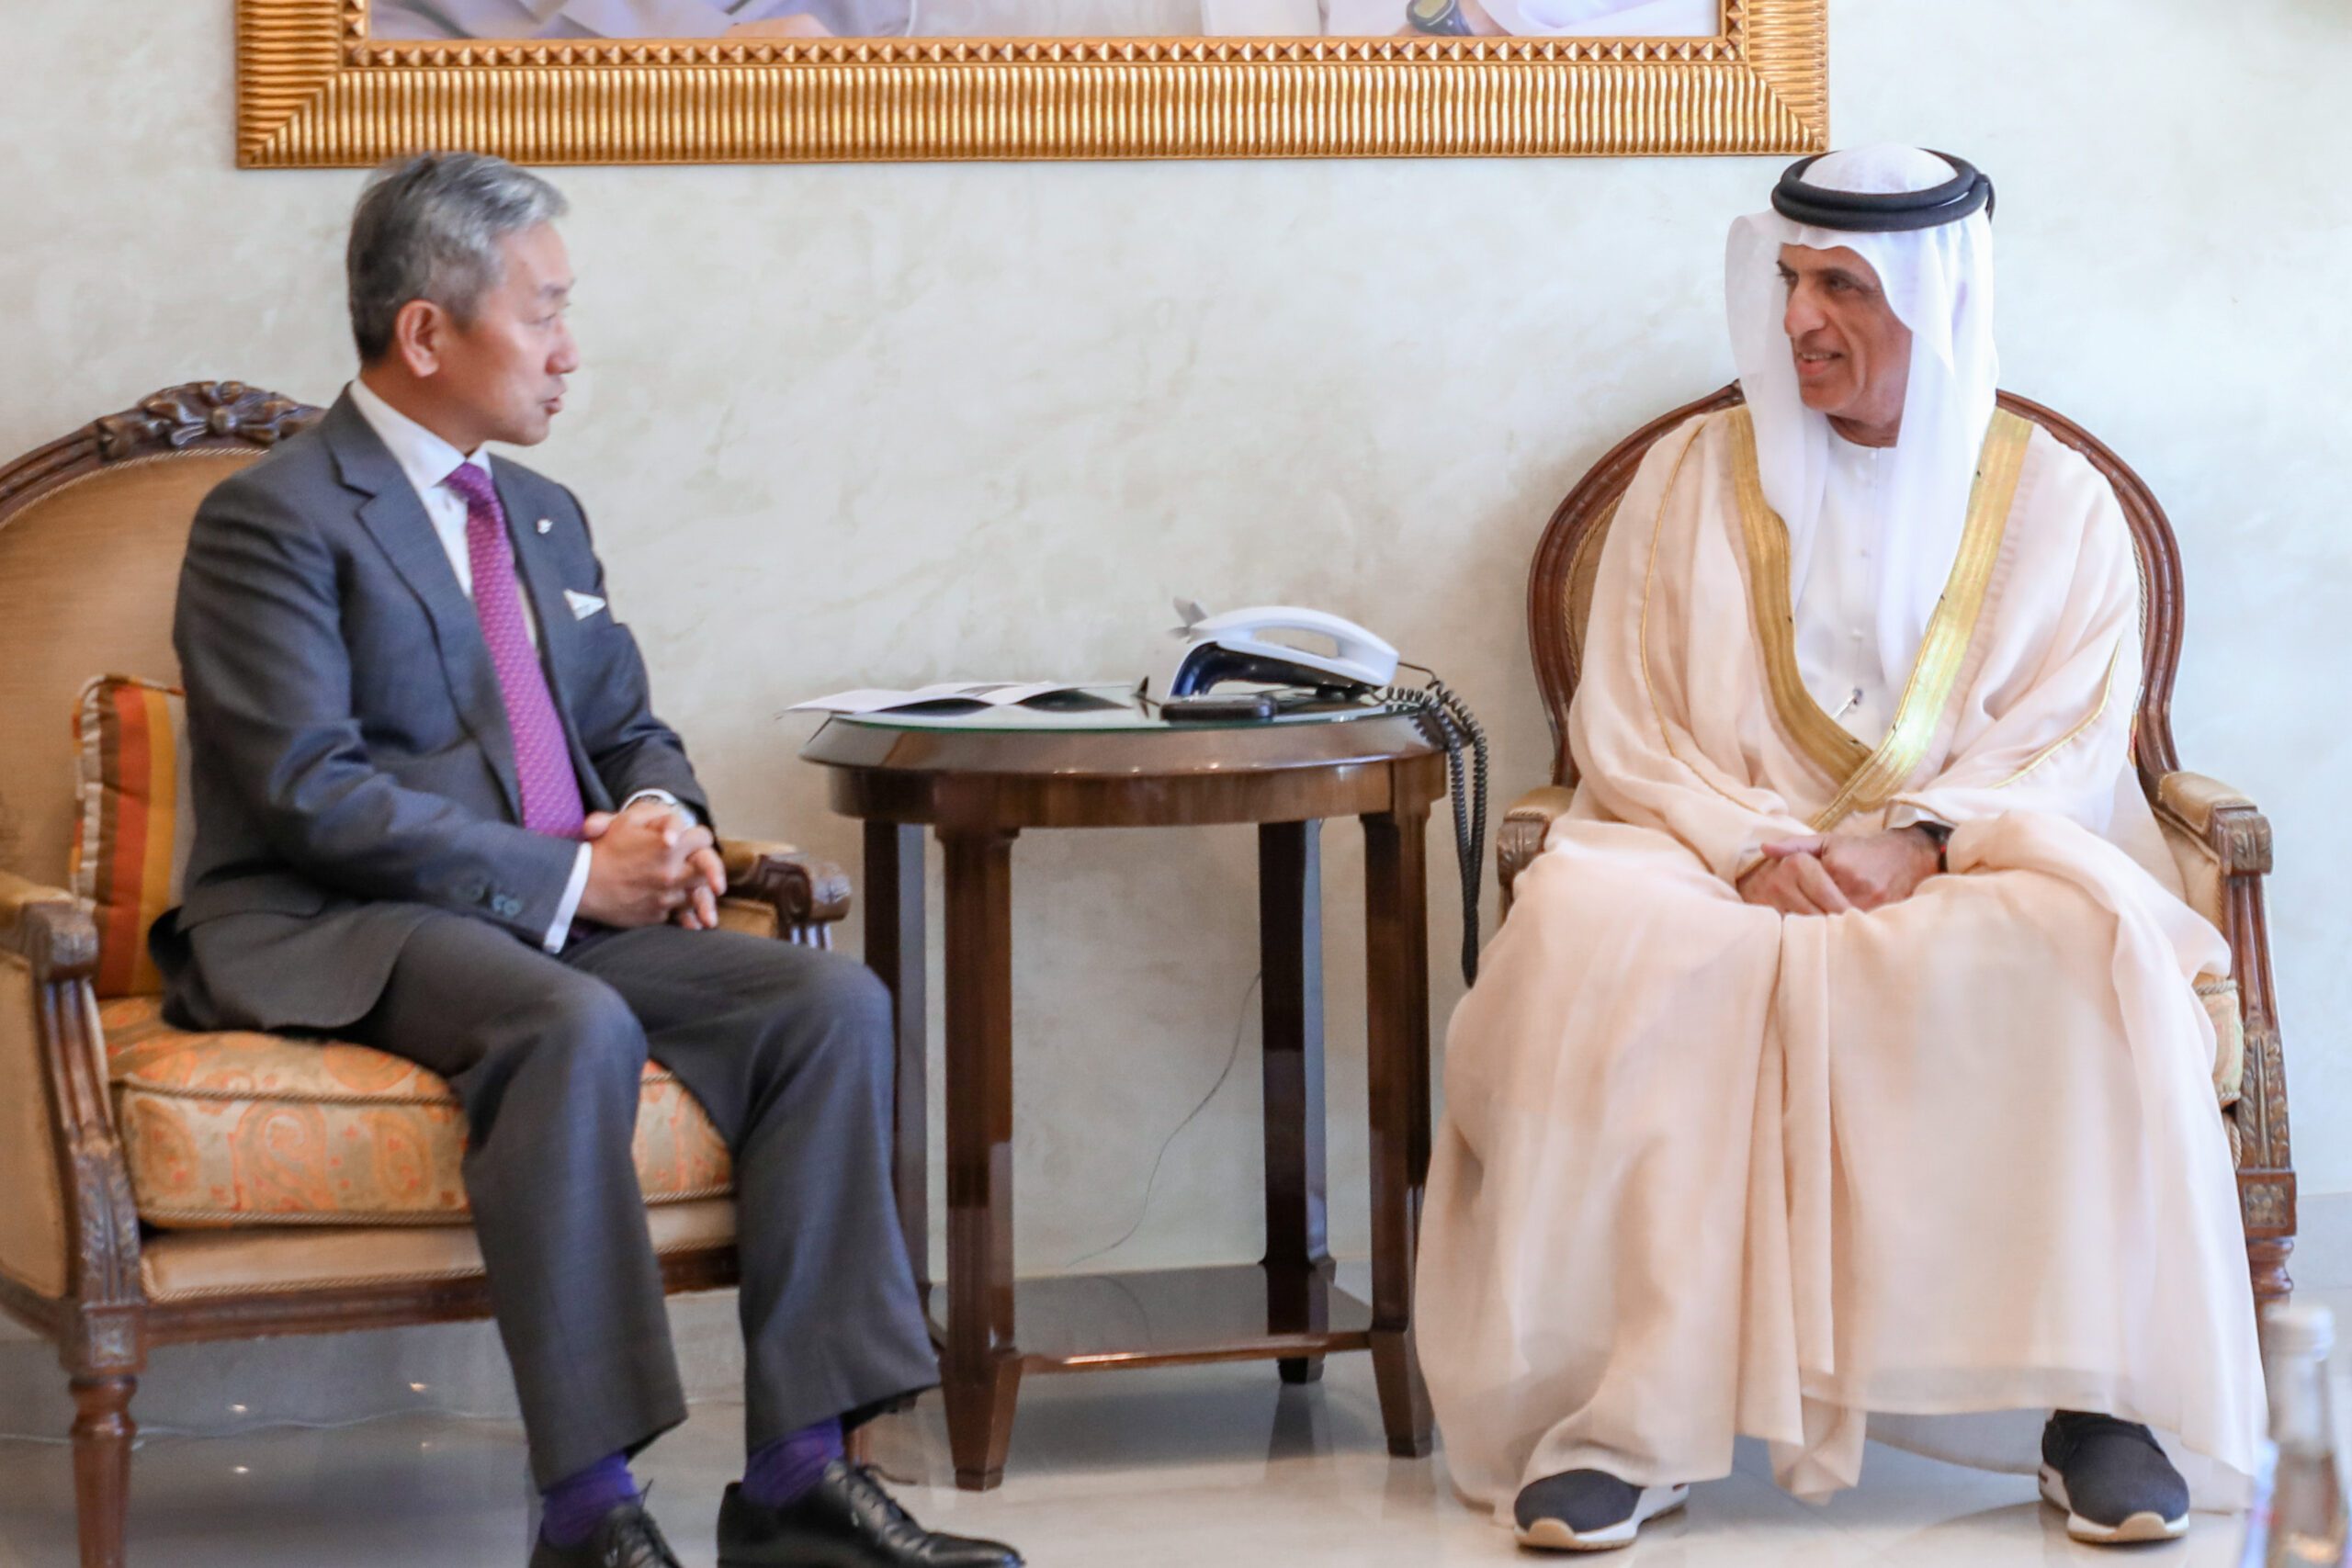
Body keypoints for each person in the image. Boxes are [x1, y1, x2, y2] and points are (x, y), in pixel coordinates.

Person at [153, 152, 1023, 1568]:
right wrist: (570, 882)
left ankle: (799, 1480)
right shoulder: (274, 519)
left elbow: (627, 726)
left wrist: (664, 829)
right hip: (343, 916)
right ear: (427, 332)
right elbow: (310, 793)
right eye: (543, 312)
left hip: (551, 906)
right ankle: (590, 1514)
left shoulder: (539, 514)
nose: (572, 351)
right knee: (569, 1020)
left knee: (826, 1006)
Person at [1413, 145, 2263, 1552]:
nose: (1801, 317)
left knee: (2071, 947)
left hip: (1979, 853)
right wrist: (1750, 847)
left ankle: (2094, 1404)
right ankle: (1631, 1423)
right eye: (1793, 277)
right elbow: (1623, 724)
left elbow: (2074, 738)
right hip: (1704, 851)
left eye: (1845, 288)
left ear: (1939, 300)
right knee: (1593, 935)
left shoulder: (2057, 502)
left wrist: (1925, 842)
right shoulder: (1691, 477)